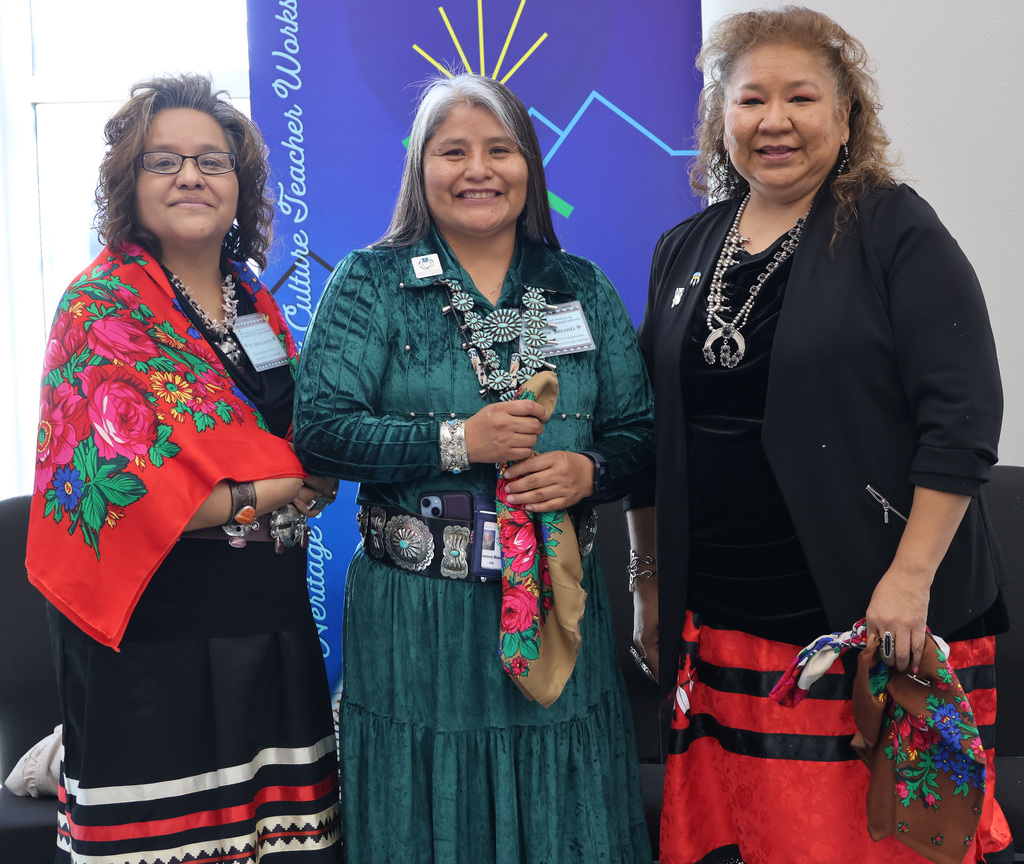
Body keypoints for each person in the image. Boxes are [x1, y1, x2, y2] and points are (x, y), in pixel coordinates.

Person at [625, 7, 1013, 864]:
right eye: (750, 99)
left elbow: (963, 420)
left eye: (802, 97)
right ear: (719, 118)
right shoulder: (683, 248)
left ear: (845, 118)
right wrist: (650, 583)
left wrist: (909, 582)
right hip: (727, 614)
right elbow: (652, 436)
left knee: (872, 842)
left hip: (869, 613)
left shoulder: (892, 228)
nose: (774, 121)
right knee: (759, 838)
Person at [293, 73, 654, 863]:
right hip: (418, 618)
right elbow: (319, 432)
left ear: (530, 165)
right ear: (420, 170)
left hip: (559, 609)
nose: (478, 170)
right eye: (452, 151)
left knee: (566, 811)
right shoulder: (371, 284)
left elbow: (641, 434)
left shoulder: (580, 287)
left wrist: (590, 471)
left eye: (500, 149)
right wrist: (460, 441)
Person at [26, 74, 341, 863]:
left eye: (212, 160)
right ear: (128, 185)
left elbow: (304, 448)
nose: (191, 176)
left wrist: (312, 474)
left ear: (243, 187)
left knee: (286, 848)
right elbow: (106, 495)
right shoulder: (98, 309)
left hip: (269, 626)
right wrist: (263, 492)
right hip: (152, 644)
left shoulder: (253, 305)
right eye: (163, 161)